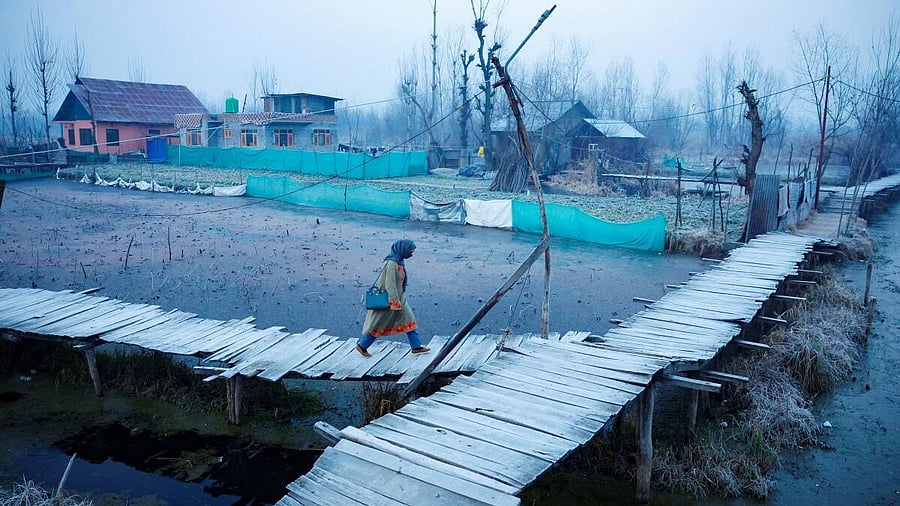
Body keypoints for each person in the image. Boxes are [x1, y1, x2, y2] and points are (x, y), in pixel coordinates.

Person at [357, 239, 431, 357]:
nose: (411, 254)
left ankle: (416, 347)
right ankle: (362, 346)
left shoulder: (399, 261)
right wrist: (394, 301)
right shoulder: (392, 263)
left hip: (400, 298)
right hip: (390, 300)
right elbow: (389, 283)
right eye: (410, 251)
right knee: (378, 324)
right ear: (403, 249)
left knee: (410, 320)